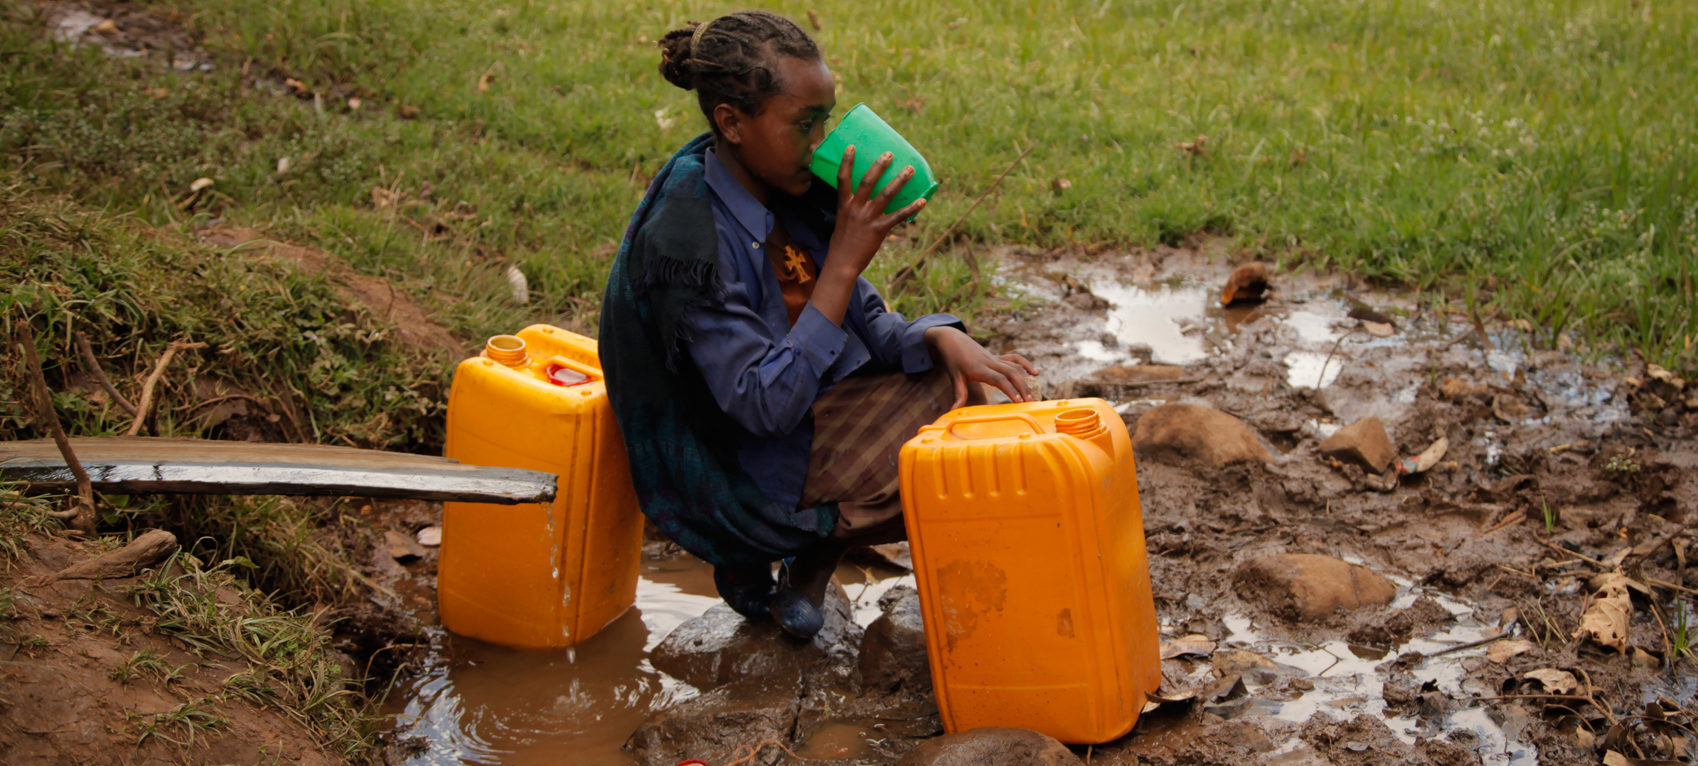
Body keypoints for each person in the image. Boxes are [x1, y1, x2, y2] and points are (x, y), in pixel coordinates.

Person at [599, 10, 1036, 639]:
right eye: (804, 124)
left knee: (957, 385)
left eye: (826, 119)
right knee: (946, 462)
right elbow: (761, 407)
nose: (823, 141)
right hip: (734, 469)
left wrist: (942, 336)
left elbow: (862, 324)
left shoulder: (781, 186)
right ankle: (765, 545)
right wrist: (843, 262)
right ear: (732, 123)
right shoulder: (690, 245)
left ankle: (806, 556)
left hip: (802, 411)